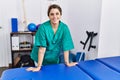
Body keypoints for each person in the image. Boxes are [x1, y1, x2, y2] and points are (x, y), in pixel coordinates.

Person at [27, 4, 78, 72]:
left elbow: (66, 46)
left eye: (57, 14)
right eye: (52, 14)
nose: (55, 17)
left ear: (60, 15)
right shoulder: (43, 28)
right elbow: (42, 49)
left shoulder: (64, 28)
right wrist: (38, 66)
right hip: (39, 58)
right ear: (48, 16)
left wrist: (67, 63)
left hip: (53, 58)